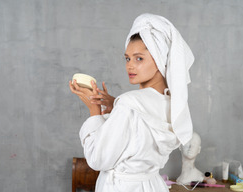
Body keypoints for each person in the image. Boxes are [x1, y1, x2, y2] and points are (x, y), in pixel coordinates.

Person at [69, 13, 195, 192]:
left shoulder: (129, 104)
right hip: (152, 185)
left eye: (139, 58)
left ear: (161, 59)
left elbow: (98, 159)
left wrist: (95, 112)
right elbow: (138, 134)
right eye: (127, 58)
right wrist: (114, 107)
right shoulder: (172, 104)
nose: (130, 65)